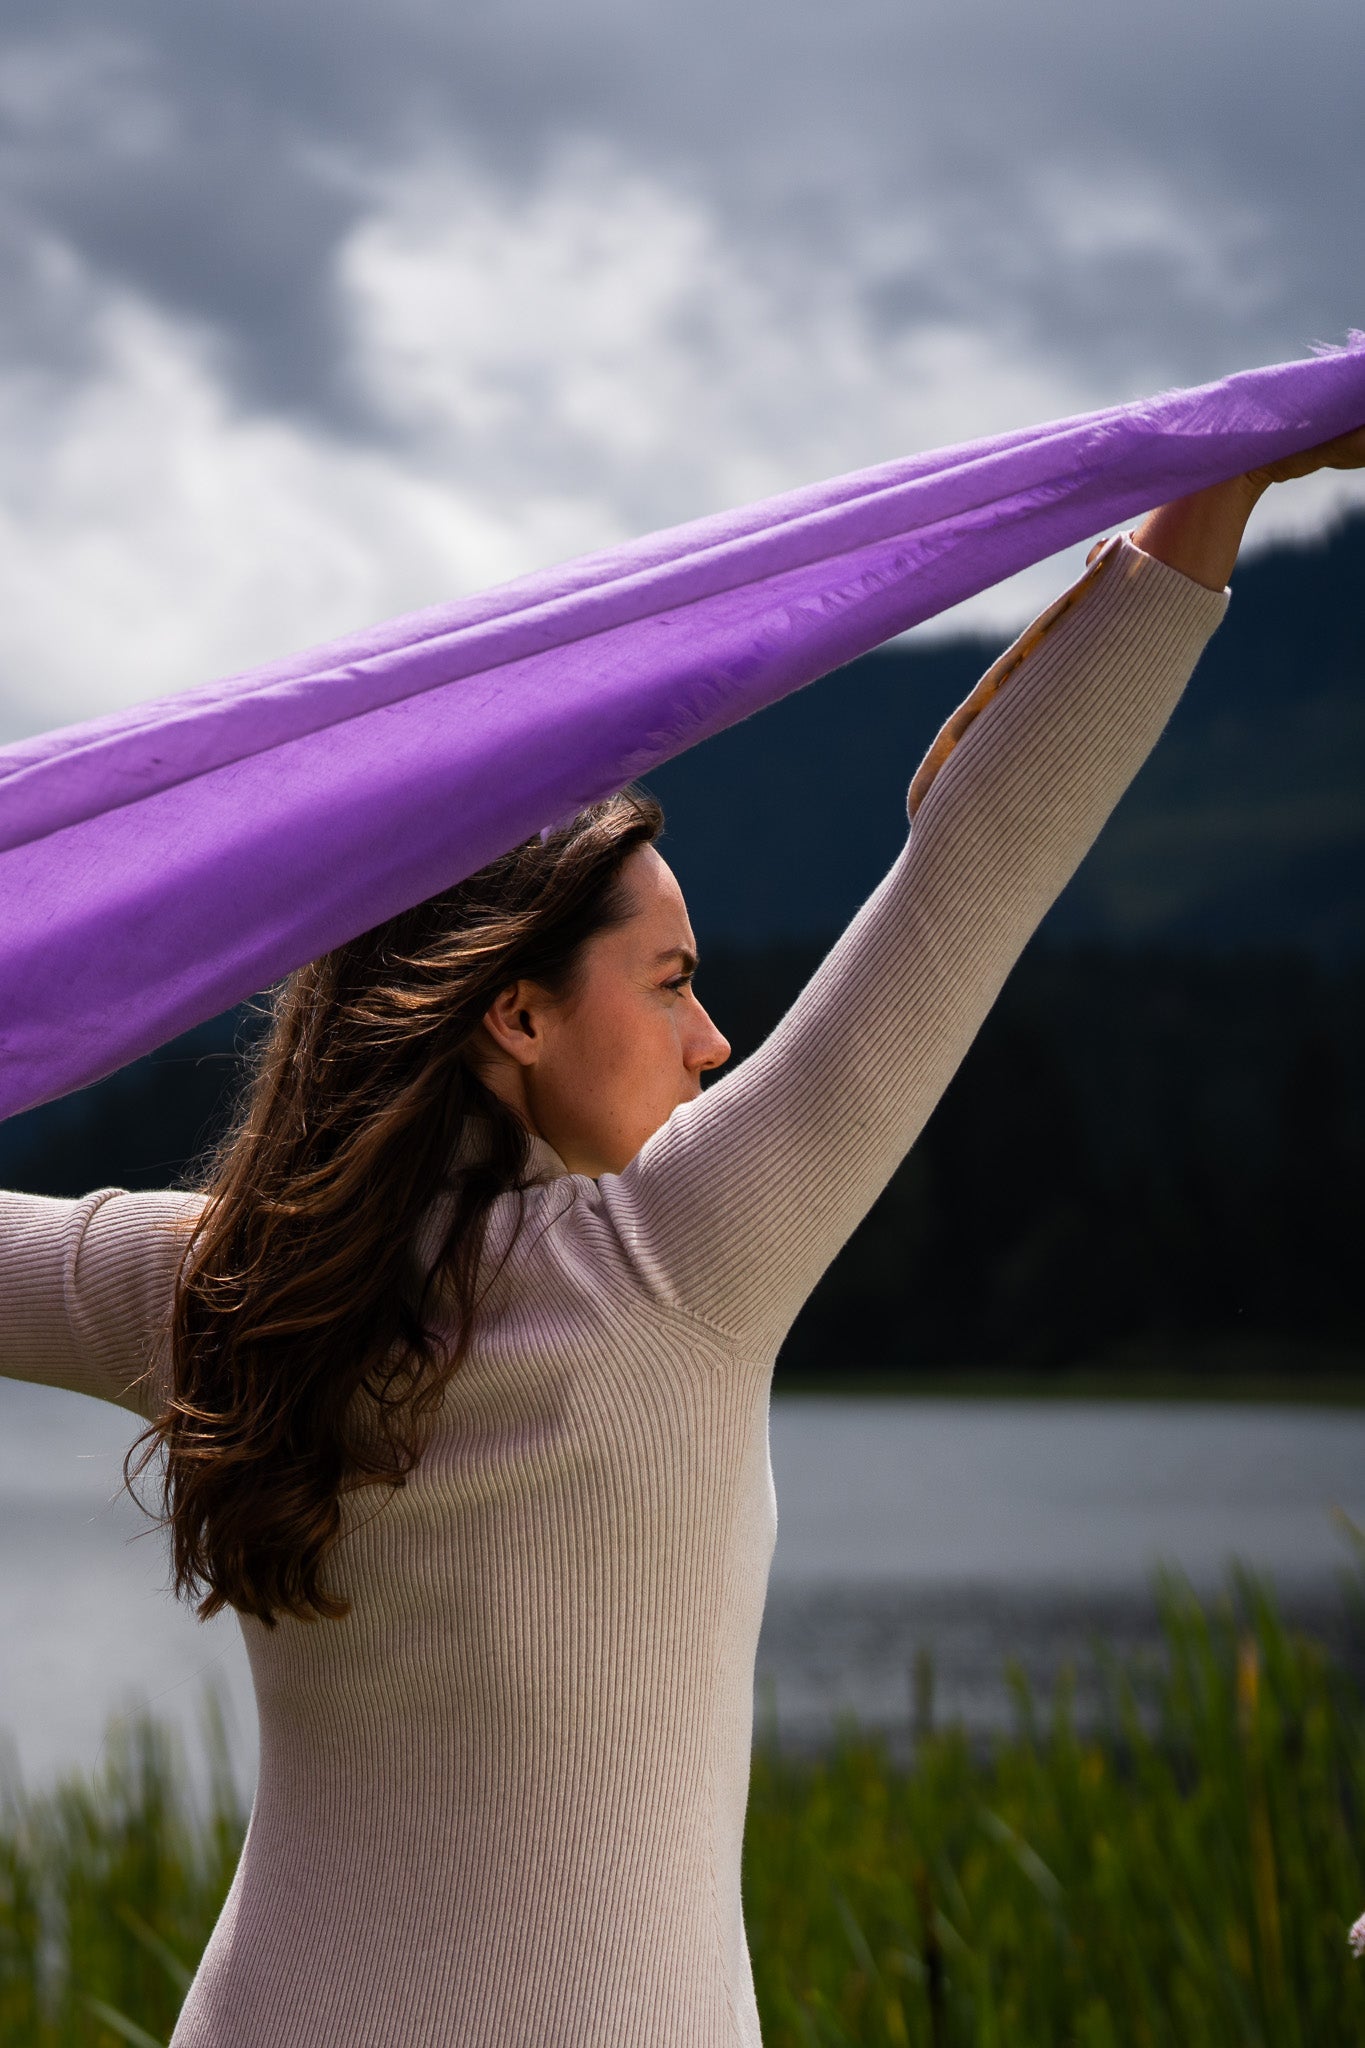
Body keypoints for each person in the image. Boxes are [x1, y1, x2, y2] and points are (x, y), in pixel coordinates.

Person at [2, 428, 1362, 2047]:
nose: (713, 1039)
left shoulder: (203, 1284)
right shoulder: (683, 1251)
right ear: (513, 1010)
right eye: (667, 983)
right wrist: (1215, 478)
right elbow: (980, 863)